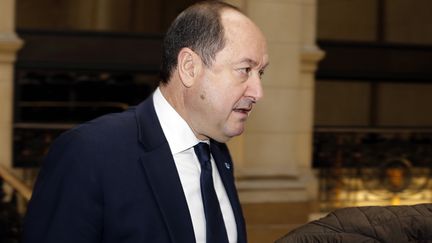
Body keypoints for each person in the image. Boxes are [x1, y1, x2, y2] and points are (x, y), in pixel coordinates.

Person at [22, 1, 269, 243]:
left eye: (261, 73)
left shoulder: (219, 155)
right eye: (245, 69)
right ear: (189, 67)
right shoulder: (89, 153)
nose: (258, 92)